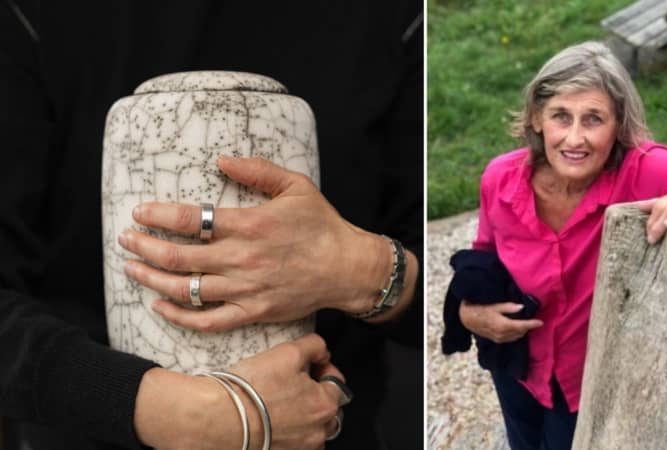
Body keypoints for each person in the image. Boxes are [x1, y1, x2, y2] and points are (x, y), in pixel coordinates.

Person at [0, 1, 422, 449]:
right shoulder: (30, 15)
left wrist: (362, 269)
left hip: (324, 425)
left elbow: (446, 295)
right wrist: (176, 412)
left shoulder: (395, 17)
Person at [457, 40, 667, 450]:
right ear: (536, 119)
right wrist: (468, 313)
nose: (575, 138)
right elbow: (481, 258)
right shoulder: (500, 177)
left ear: (618, 125)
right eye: (561, 117)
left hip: (592, 385)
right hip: (516, 369)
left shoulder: (643, 172)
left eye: (594, 119)